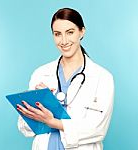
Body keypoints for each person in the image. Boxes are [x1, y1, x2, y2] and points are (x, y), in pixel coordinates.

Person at [17, 7, 114, 150]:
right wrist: (36, 105)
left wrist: (52, 121)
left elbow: (98, 129)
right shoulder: (41, 73)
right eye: (57, 34)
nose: (63, 41)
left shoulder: (102, 77)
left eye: (70, 32)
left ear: (82, 32)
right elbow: (24, 128)